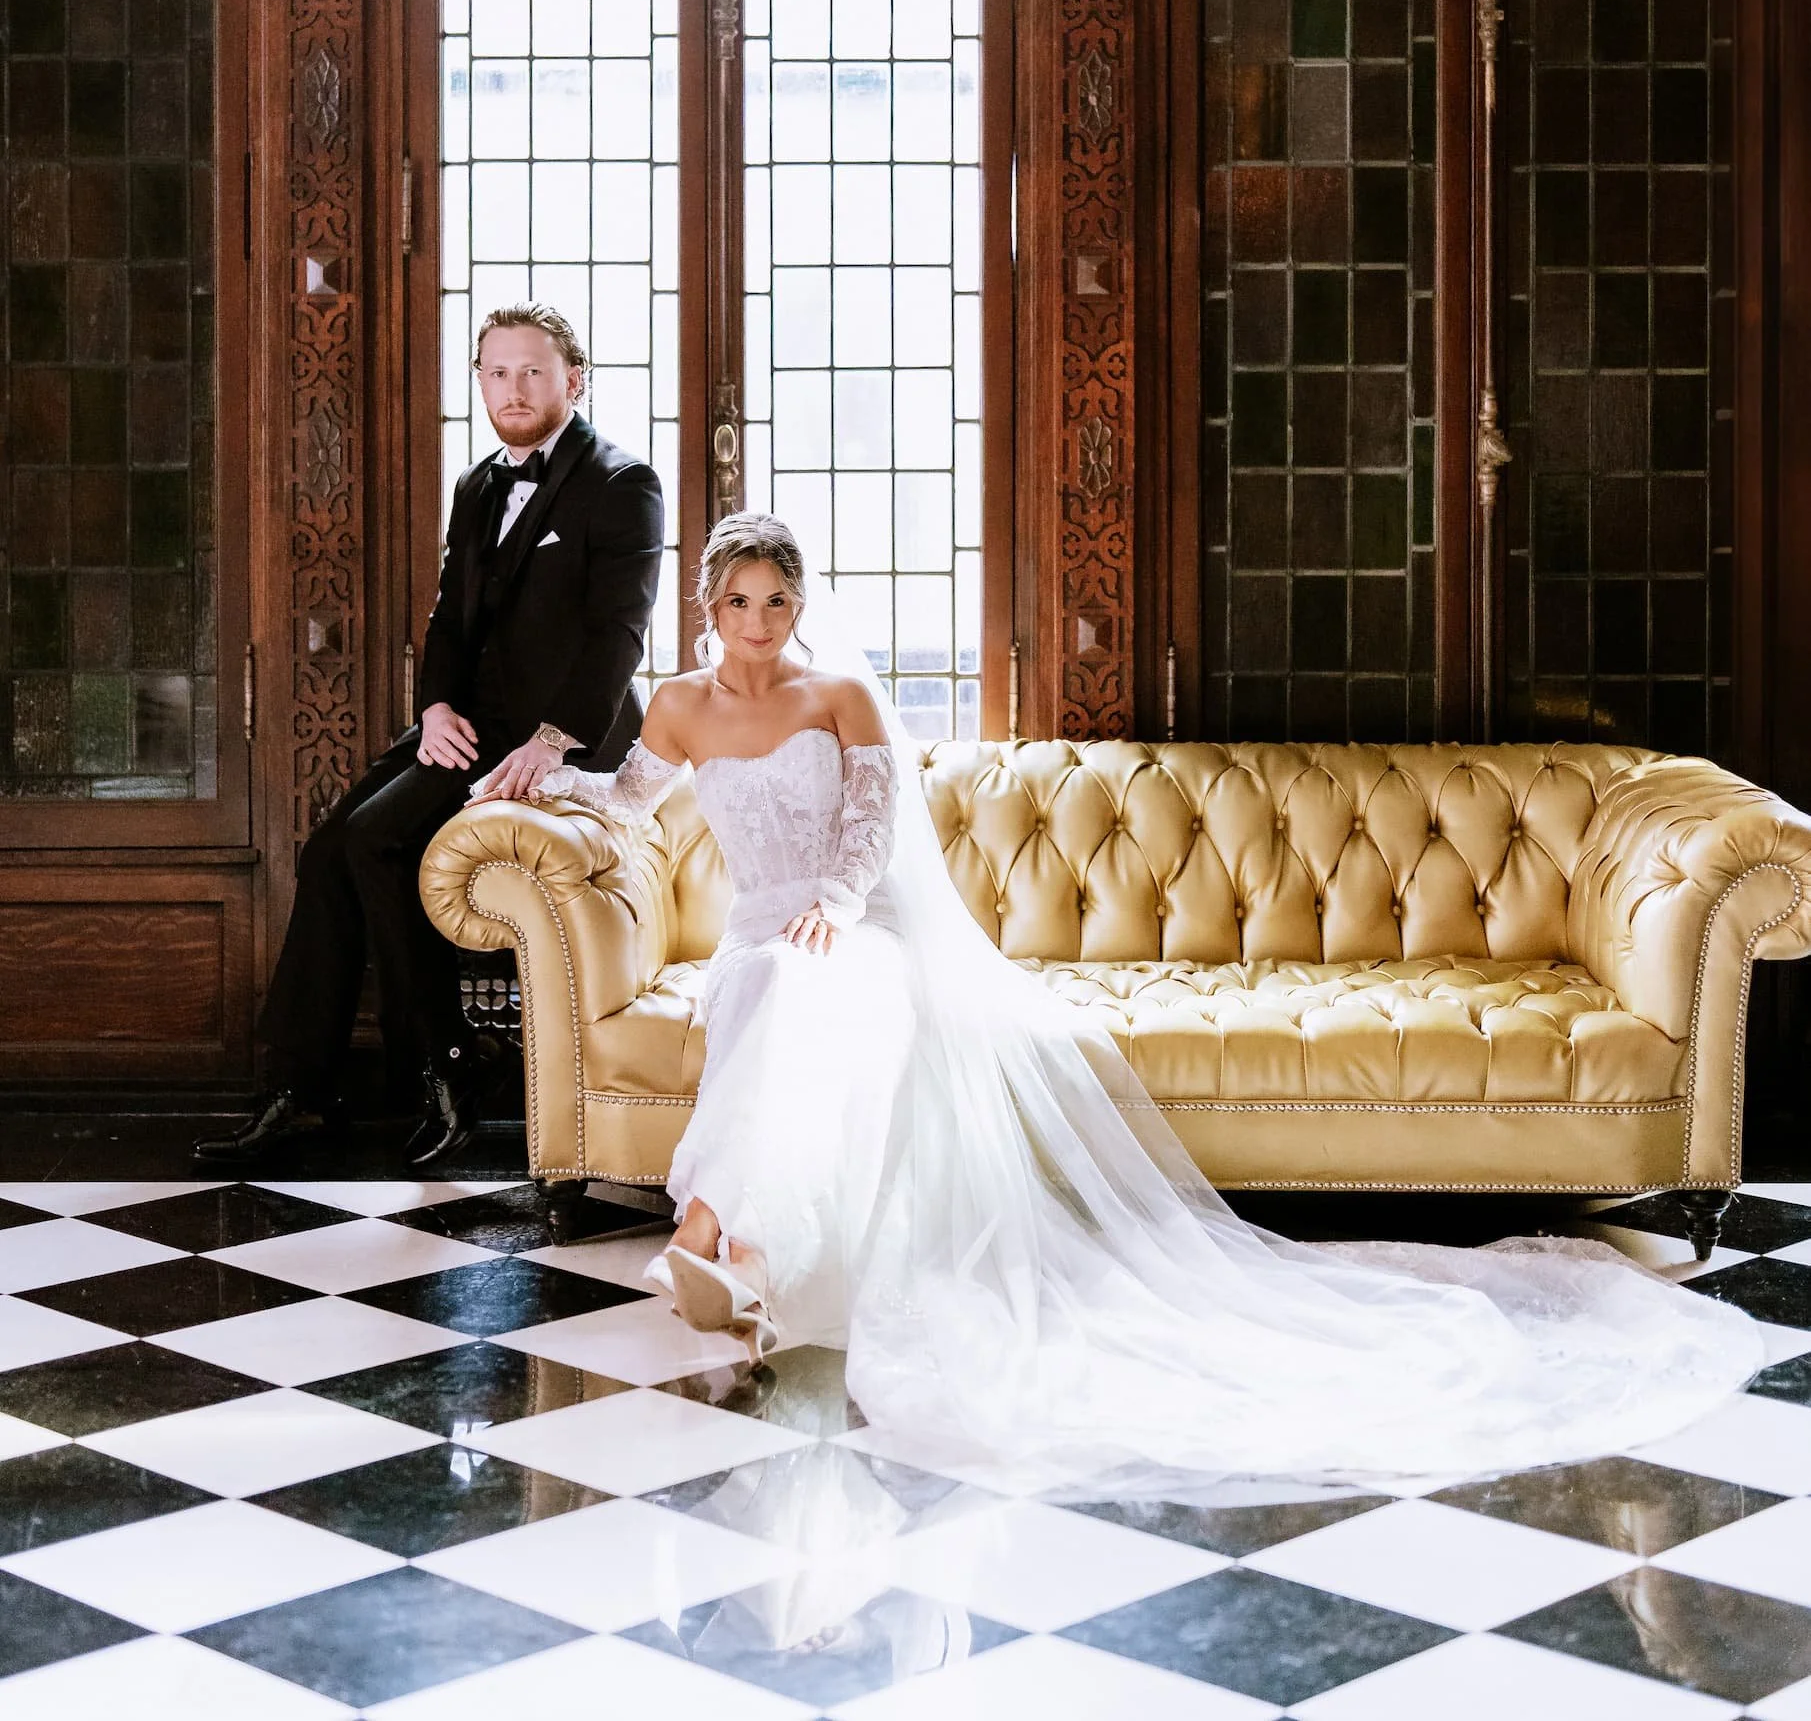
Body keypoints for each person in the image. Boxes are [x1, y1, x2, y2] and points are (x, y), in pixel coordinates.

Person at [474, 508, 1768, 1496]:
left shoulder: (840, 696)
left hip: (846, 926)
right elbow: (627, 802)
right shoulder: (684, 709)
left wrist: (830, 902)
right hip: (760, 936)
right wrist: (534, 783)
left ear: (797, 606)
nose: (757, 621)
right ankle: (734, 1248)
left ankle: (720, 1235)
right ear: (704, 609)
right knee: (760, 983)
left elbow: (872, 834)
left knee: (813, 986)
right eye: (737, 601)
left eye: (776, 599)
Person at [197, 307, 663, 1172]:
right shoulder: (477, 483)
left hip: (566, 735)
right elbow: (449, 616)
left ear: (574, 380)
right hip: (470, 724)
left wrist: (552, 742)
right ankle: (303, 1090)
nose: (512, 389)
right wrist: (438, 707)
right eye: (495, 372)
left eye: (532, 371)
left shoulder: (622, 482)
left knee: (377, 838)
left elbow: (619, 636)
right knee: (332, 846)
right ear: (480, 380)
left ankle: (445, 1065)